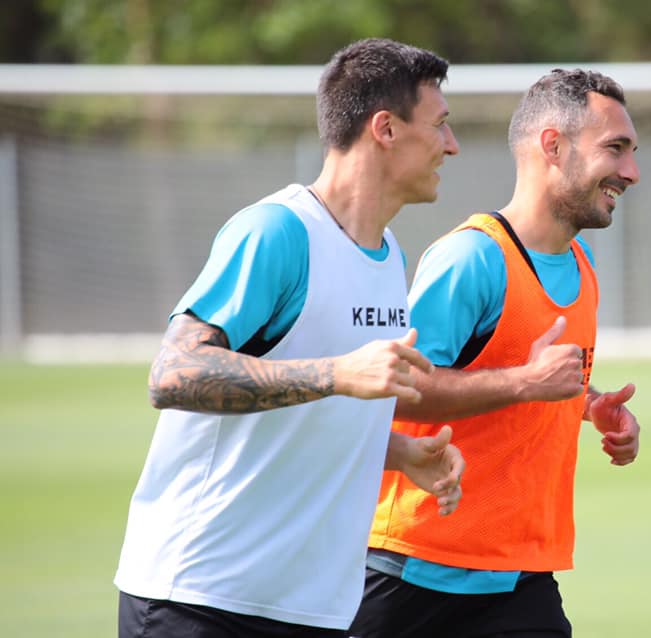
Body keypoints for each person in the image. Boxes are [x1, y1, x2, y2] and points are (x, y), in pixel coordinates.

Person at [114, 38, 464, 638]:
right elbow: (173, 374)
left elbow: (300, 407)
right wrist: (336, 373)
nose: (451, 145)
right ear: (385, 128)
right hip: (202, 599)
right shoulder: (277, 231)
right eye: (440, 126)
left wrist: (396, 454)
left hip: (313, 610)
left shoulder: (388, 258)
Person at [348, 68, 643, 638]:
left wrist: (590, 403)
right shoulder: (471, 258)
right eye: (616, 149)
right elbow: (399, 393)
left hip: (521, 579)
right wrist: (524, 383)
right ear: (553, 146)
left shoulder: (583, 267)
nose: (631, 171)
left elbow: (528, 375)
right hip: (413, 574)